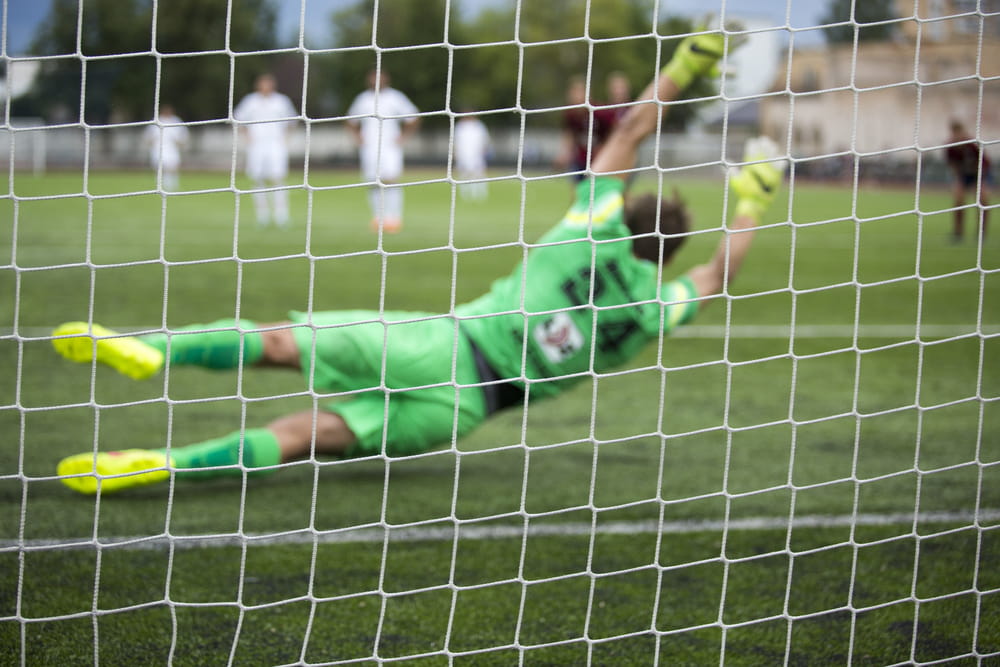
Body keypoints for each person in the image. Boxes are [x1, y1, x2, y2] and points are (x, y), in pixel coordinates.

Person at [49, 29, 785, 495]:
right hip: (466, 409)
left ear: (624, 211)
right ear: (670, 253)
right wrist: (752, 199)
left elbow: (625, 133)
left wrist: (685, 65)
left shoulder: (589, 227)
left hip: (442, 343)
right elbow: (720, 276)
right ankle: (161, 463)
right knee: (305, 436)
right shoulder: (652, 312)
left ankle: (151, 350)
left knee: (278, 343)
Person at [346, 69, 420, 233]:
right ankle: (378, 218)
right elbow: (350, 120)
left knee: (391, 179)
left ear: (386, 79)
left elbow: (413, 117)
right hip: (370, 148)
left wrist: (403, 137)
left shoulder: (395, 97)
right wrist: (358, 138)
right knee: (373, 181)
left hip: (390, 146)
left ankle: (394, 218)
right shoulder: (363, 99)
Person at [233, 73, 299, 228]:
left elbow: (292, 120)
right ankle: (262, 215)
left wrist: (286, 138)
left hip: (276, 145)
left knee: (278, 179)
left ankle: (281, 215)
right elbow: (238, 119)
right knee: (257, 179)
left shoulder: (281, 101)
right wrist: (247, 138)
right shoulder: (250, 101)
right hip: (257, 146)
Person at [945, 120, 992, 241]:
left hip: (978, 175)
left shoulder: (971, 144)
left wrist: (981, 175)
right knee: (958, 200)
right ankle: (958, 232)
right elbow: (951, 163)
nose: (956, 135)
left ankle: (981, 232)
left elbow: (985, 160)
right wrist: (958, 177)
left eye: (958, 132)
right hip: (963, 175)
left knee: (983, 200)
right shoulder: (950, 147)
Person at [143, 104, 189, 192]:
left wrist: (180, 143)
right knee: (159, 168)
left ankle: (171, 186)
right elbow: (148, 136)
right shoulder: (156, 121)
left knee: (172, 167)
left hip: (172, 149)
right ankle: (159, 187)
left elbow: (183, 136)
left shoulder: (176, 121)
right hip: (158, 149)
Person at [453, 109, 492, 200]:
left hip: (476, 153)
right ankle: (465, 193)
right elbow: (456, 141)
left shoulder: (479, 125)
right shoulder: (460, 126)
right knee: (464, 173)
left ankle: (480, 192)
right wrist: (455, 153)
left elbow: (484, 139)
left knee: (479, 173)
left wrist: (484, 150)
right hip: (463, 154)